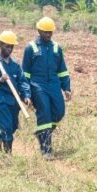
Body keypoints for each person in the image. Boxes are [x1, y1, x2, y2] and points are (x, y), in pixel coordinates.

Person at [21, 17, 71, 159]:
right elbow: (25, 73)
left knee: (59, 112)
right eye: (45, 32)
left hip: (54, 85)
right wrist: (26, 93)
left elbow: (62, 70)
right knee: (44, 113)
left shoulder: (57, 48)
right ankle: (46, 149)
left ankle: (41, 133)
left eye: (50, 32)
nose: (48, 35)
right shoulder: (31, 48)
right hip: (38, 85)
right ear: (38, 31)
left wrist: (66, 87)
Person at [0, 31, 31, 153]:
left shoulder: (15, 65)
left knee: (13, 126)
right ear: (0, 45)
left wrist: (26, 95)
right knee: (6, 127)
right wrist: (0, 80)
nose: (9, 49)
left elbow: (22, 81)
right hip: (0, 100)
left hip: (14, 101)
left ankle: (0, 139)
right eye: (7, 46)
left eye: (11, 46)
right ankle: (8, 155)